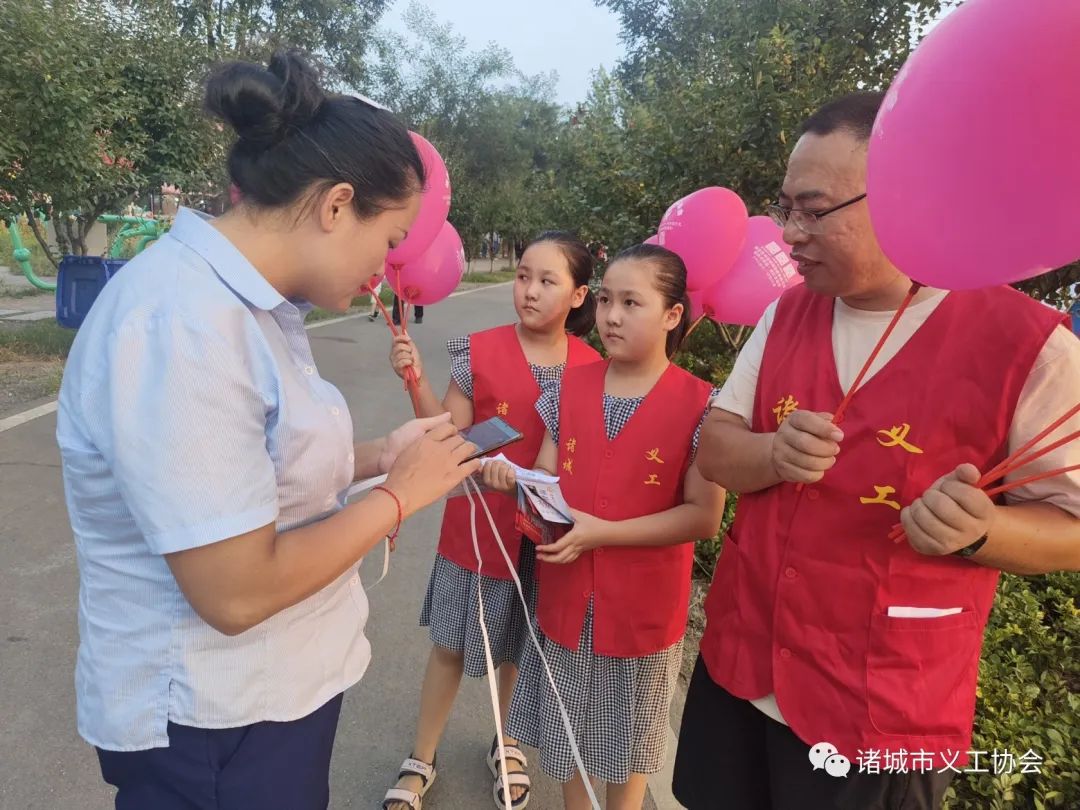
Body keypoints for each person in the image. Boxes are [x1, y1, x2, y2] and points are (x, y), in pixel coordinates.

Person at [55, 50, 481, 810]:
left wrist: (382, 456)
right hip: (213, 720)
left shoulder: (248, 306)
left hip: (269, 695)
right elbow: (236, 591)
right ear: (337, 205)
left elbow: (254, 469)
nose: (384, 270)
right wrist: (397, 498)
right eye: (389, 241)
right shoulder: (184, 323)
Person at [672, 91, 1080, 810]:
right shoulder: (786, 312)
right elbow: (716, 446)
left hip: (879, 707)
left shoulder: (1031, 349)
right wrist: (771, 454)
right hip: (741, 664)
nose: (789, 234)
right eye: (785, 208)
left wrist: (983, 529)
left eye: (813, 211)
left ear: (904, 194)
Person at [484, 244, 727, 810]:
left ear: (672, 314)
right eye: (605, 300)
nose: (611, 316)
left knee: (628, 746)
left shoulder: (702, 405)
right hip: (567, 599)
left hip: (642, 610)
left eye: (631, 303)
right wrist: (512, 482)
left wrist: (603, 533)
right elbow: (545, 480)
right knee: (569, 737)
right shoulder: (569, 387)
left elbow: (704, 515)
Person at [383, 232, 601, 810]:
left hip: (547, 540)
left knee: (516, 647)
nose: (529, 290)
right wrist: (415, 380)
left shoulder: (595, 369)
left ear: (579, 295)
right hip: (476, 528)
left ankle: (507, 745)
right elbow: (444, 435)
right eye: (523, 275)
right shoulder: (477, 351)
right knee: (451, 644)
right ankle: (421, 757)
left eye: (547, 281)